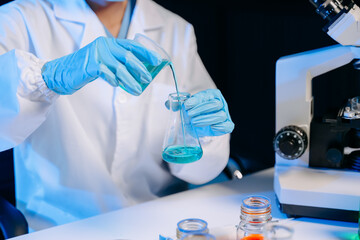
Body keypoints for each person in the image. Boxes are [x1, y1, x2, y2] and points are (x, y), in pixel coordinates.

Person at [0, 0, 234, 231]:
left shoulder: (175, 29)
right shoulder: (17, 19)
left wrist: (199, 136)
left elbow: (201, 171)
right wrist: (49, 78)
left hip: (159, 220)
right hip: (64, 227)